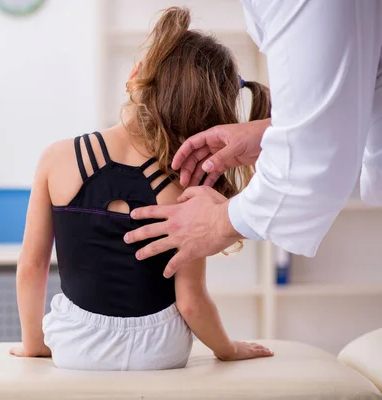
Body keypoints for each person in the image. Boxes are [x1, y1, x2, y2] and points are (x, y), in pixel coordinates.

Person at [9, 7, 273, 370]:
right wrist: (228, 350)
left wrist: (33, 345)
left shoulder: (56, 159)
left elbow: (32, 266)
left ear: (135, 77)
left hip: (75, 344)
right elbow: (191, 302)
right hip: (161, 348)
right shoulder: (187, 182)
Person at [125, 0, 382, 278]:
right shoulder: (177, 194)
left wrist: (218, 222)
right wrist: (269, 135)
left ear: (135, 77)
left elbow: (310, 169)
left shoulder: (71, 154)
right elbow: (346, 109)